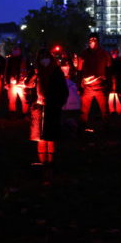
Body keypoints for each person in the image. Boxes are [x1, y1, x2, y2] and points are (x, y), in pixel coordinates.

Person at [28, 48, 69, 178]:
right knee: (39, 136)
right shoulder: (37, 72)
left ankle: (50, 162)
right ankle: (41, 161)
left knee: (50, 135)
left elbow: (63, 90)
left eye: (46, 57)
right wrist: (34, 75)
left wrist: (56, 103)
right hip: (38, 108)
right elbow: (27, 84)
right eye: (41, 58)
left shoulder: (56, 72)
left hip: (52, 108)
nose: (44, 60)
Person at [78, 34, 111, 130]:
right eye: (91, 39)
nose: (92, 40)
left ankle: (106, 126)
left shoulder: (104, 54)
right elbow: (79, 71)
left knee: (104, 109)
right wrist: (79, 85)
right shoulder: (83, 54)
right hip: (87, 87)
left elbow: (109, 69)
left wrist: (109, 83)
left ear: (98, 41)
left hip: (100, 87)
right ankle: (82, 125)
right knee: (84, 109)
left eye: (95, 39)